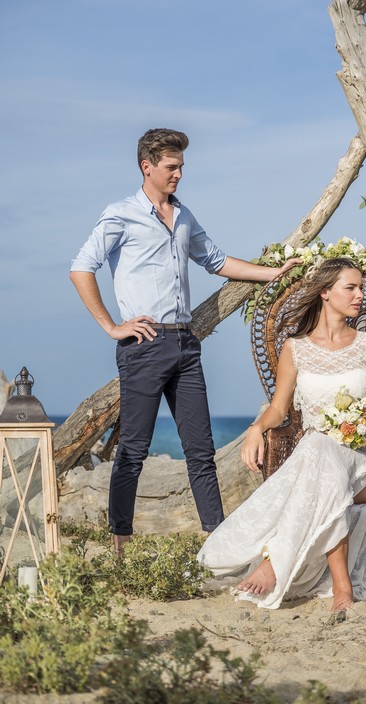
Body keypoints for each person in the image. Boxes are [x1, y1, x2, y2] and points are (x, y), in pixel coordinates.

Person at [69, 127, 298, 553]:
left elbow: (216, 260)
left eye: (181, 167)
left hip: (186, 345)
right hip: (144, 345)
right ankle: (121, 543)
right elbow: (81, 268)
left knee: (200, 450)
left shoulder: (184, 215)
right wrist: (112, 327)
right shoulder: (120, 214)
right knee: (133, 450)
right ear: (147, 166)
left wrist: (273, 273)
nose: (178, 174)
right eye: (171, 167)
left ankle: (218, 540)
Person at [197, 258, 366, 611]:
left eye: (361, 287)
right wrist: (256, 428)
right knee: (319, 447)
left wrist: (362, 430)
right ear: (325, 293)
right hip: (319, 459)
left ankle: (273, 563)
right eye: (351, 288)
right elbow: (278, 408)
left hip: (365, 462)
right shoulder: (295, 348)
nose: (360, 295)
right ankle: (341, 589)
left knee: (319, 450)